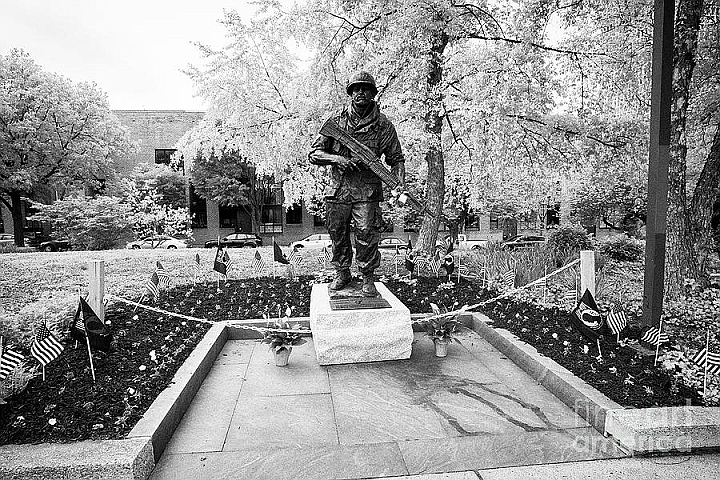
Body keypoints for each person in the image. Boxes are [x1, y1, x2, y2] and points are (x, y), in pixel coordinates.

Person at [309, 71, 406, 296]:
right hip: (339, 188)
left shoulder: (384, 126)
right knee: (337, 232)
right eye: (356, 89)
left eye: (365, 88)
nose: (360, 92)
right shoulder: (336, 122)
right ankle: (342, 272)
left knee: (366, 232)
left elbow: (396, 160)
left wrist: (398, 185)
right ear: (350, 93)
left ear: (373, 93)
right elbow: (314, 154)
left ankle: (367, 276)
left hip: (367, 190)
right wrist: (337, 159)